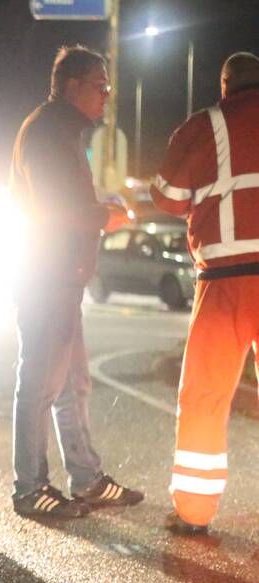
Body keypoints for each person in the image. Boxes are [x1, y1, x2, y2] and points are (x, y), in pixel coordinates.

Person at [8, 45, 144, 518]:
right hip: (45, 276)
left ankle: (85, 479)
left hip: (62, 277)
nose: (107, 95)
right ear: (72, 86)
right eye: (100, 86)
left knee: (72, 385)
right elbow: (54, 208)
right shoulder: (48, 131)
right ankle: (29, 488)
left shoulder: (62, 131)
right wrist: (106, 216)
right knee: (42, 383)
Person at [151, 52, 259, 535]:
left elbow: (167, 196)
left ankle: (194, 511)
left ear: (224, 86)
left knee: (205, 397)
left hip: (220, 283)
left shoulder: (203, 126)